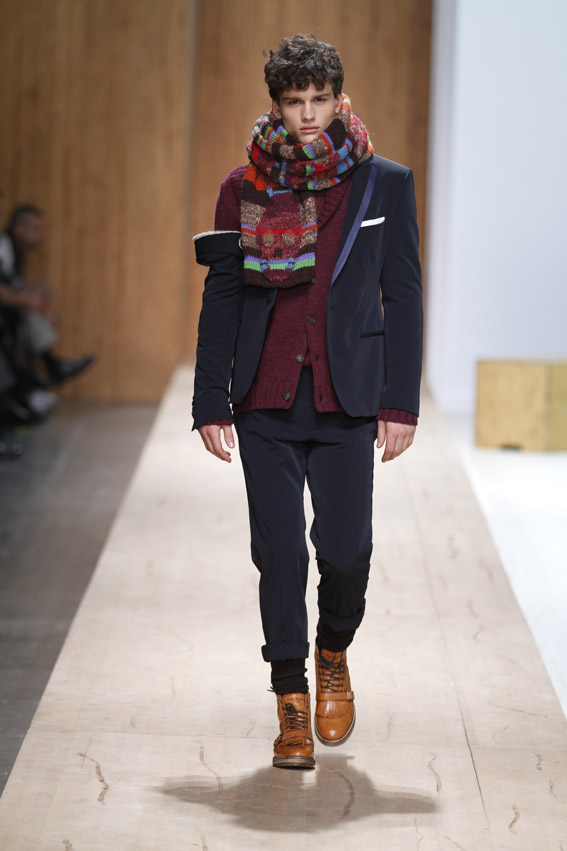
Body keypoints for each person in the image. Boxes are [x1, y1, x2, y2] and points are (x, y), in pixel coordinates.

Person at [192, 34, 423, 770]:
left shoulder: (384, 183)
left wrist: (400, 402)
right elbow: (223, 296)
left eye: (320, 99)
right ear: (277, 104)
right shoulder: (245, 186)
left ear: (339, 98)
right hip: (265, 398)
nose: (309, 114)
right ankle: (291, 700)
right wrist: (209, 398)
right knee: (280, 553)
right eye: (295, 102)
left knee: (347, 552)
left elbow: (403, 296)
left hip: (347, 396)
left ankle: (333, 650)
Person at [0, 203, 95, 394]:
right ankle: (46, 372)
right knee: (20, 318)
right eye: (36, 229)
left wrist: (36, 305)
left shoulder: (16, 251)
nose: (41, 236)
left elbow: (15, 288)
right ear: (18, 229)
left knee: (29, 312)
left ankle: (40, 377)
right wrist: (27, 301)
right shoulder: (4, 249)